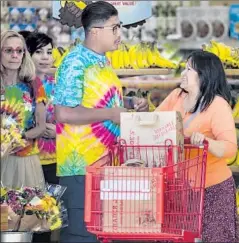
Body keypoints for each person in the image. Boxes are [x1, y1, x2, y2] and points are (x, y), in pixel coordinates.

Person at [52, 2, 148, 242]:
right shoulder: (74, 63)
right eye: (114, 28)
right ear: (95, 31)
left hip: (107, 165)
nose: (119, 34)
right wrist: (110, 114)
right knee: (82, 235)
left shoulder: (103, 61)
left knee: (102, 235)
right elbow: (63, 113)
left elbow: (98, 100)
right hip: (81, 168)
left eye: (119, 27)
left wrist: (128, 103)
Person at [156, 50, 239, 242]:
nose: (183, 73)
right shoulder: (176, 97)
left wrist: (205, 141)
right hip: (177, 189)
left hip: (212, 189)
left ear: (203, 75)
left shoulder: (217, 105)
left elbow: (229, 148)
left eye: (189, 69)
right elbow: (156, 122)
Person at [0, 30, 47, 190]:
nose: (15, 55)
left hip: (25, 160)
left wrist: (20, 138)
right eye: (8, 50)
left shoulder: (34, 85)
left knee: (27, 211)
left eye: (19, 51)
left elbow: (41, 127)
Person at [25, 32, 58, 243]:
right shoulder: (21, 86)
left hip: (55, 161)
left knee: (46, 224)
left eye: (49, 52)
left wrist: (59, 130)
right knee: (20, 218)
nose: (45, 57)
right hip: (27, 161)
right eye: (39, 52)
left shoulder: (60, 86)